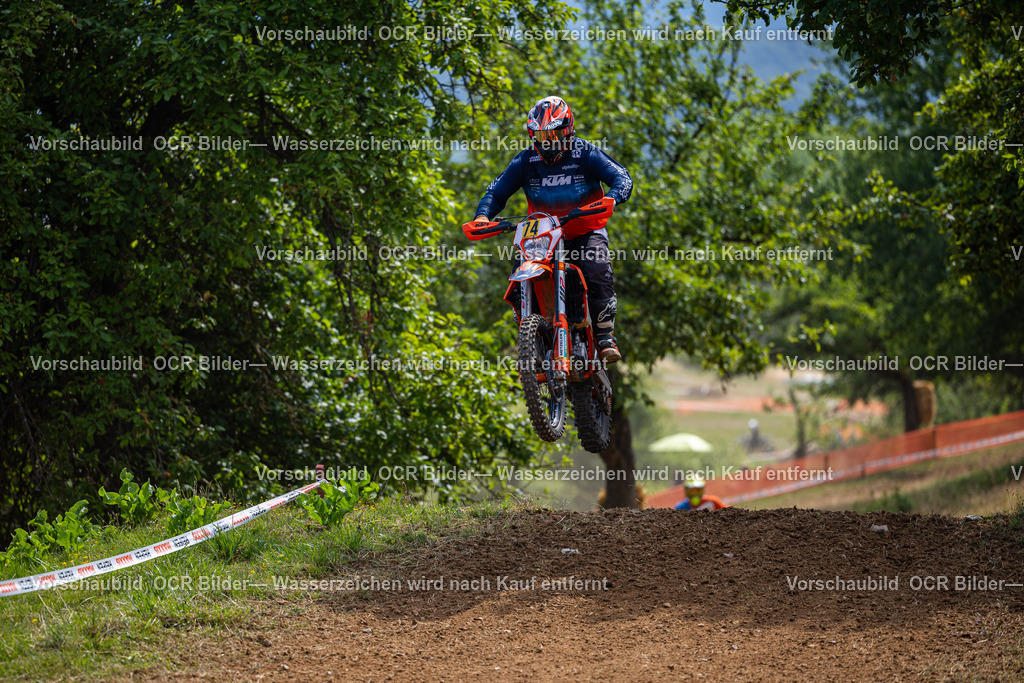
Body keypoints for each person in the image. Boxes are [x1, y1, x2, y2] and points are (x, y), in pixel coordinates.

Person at [469, 96, 633, 362]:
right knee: (517, 271)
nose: (548, 141)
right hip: (543, 237)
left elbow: (622, 177)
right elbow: (496, 192)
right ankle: (530, 336)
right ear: (533, 135)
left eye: (554, 134)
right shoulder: (525, 161)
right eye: (542, 135)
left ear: (567, 130)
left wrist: (612, 197)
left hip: (584, 231)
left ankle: (605, 337)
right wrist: (482, 216)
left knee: (596, 266)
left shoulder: (586, 153)